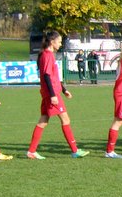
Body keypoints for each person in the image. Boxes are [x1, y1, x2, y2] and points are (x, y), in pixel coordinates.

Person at [26, 31, 89, 159]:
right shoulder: (47, 55)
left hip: (50, 93)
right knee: (65, 120)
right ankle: (75, 150)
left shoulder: (47, 55)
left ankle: (31, 151)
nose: (60, 44)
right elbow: (47, 76)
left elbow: (53, 76)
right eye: (59, 41)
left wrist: (64, 90)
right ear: (52, 42)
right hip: (52, 94)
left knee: (43, 121)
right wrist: (53, 95)